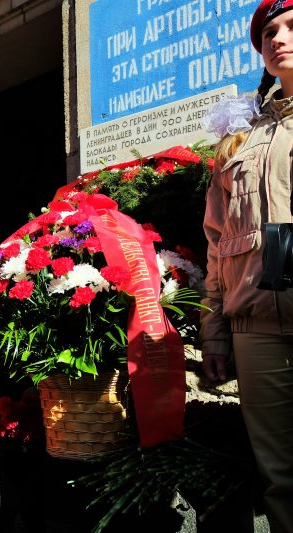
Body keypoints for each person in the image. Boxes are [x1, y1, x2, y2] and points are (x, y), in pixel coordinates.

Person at [201, 2, 293, 531]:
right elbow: (217, 243)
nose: (278, 38)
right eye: (268, 33)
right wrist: (214, 337)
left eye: (291, 26)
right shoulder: (238, 140)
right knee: (281, 476)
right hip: (256, 326)